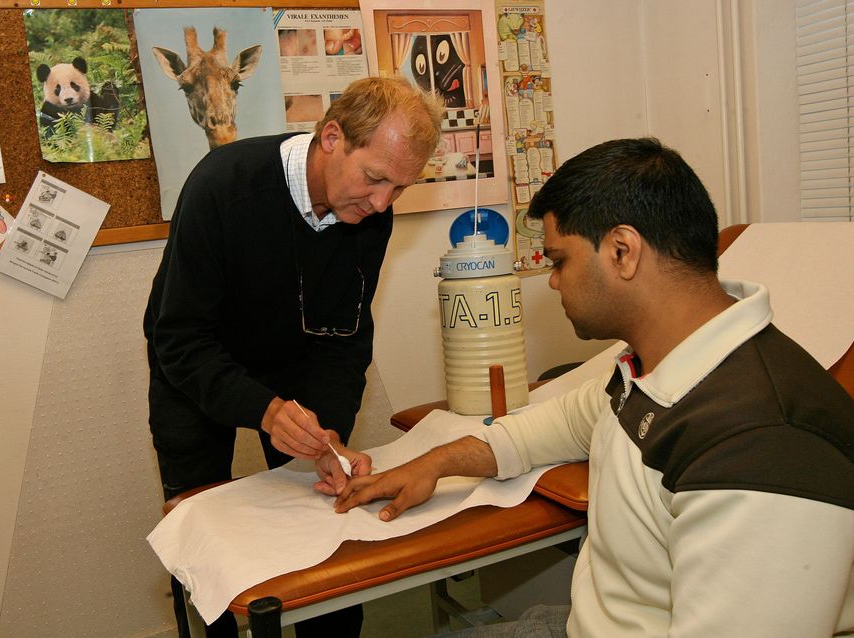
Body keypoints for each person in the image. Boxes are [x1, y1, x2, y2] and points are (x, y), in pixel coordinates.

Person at [336, 138, 854, 637]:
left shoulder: (762, 447)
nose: (554, 281)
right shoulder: (657, 365)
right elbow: (560, 422)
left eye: (559, 261)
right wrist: (434, 463)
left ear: (622, 251)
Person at [144, 76, 444, 637]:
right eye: (376, 178)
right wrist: (264, 408)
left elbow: (346, 335)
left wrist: (326, 433)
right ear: (332, 137)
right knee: (204, 546)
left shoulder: (370, 210)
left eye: (400, 189)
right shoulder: (223, 185)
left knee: (324, 527)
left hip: (295, 355)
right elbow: (179, 339)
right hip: (196, 361)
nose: (383, 204)